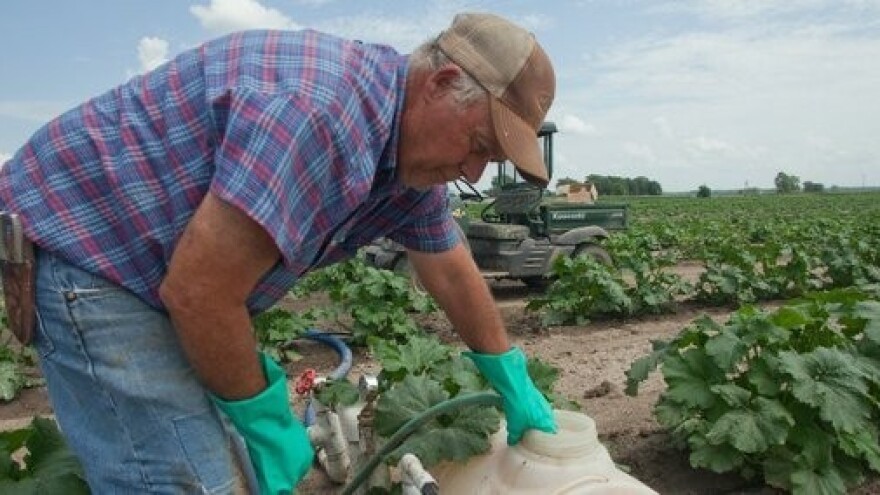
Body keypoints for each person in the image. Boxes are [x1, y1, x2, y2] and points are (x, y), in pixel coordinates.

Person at [0, 11, 557, 494]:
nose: (474, 171)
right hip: (89, 249)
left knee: (225, 464)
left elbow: (453, 273)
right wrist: (266, 421)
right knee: (186, 482)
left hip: (159, 272)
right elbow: (200, 293)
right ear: (440, 83)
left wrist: (511, 377)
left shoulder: (408, 166)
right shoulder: (326, 114)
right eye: (479, 145)